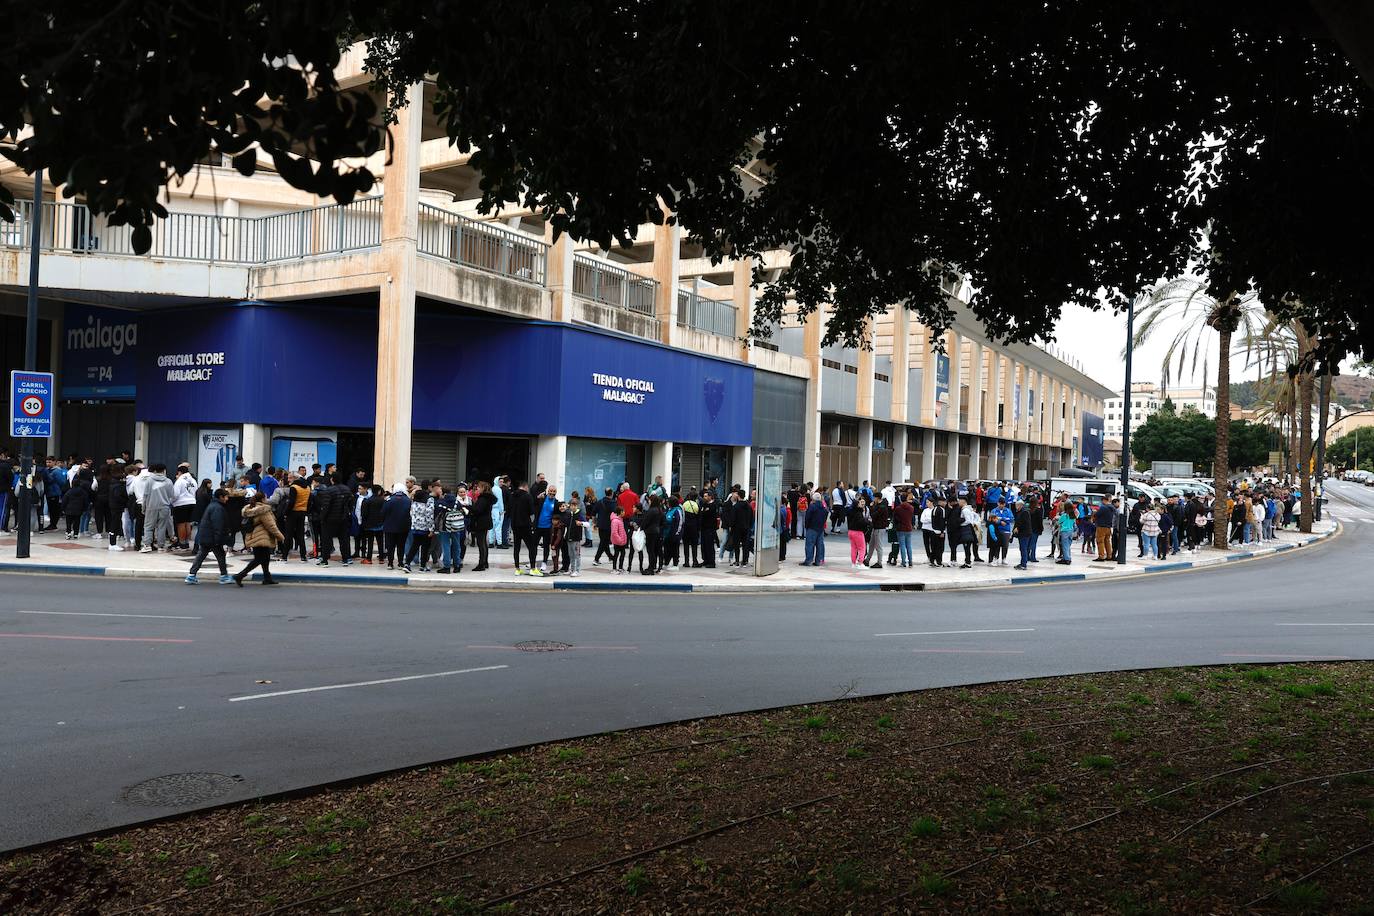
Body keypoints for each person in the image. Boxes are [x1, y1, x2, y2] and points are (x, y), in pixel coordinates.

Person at [233, 490, 283, 585]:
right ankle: (240, 575)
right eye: (266, 497)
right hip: (261, 536)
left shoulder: (251, 508)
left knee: (265, 557)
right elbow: (271, 525)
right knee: (259, 559)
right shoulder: (263, 510)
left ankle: (267, 578)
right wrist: (280, 536)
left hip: (253, 536)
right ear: (263, 499)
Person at [186, 488, 233, 584]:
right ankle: (224, 576)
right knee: (220, 556)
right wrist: (218, 539)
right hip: (212, 537)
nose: (227, 499)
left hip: (206, 536)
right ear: (221, 497)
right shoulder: (218, 508)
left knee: (201, 555)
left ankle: (191, 575)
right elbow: (218, 525)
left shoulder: (213, 505)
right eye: (226, 497)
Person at [141, 464, 175, 552]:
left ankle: (147, 545)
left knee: (148, 527)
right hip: (164, 507)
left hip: (151, 506)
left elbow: (145, 495)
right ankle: (161, 546)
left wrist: (143, 507)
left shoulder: (149, 481)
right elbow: (172, 496)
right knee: (162, 527)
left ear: (155, 471)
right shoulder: (168, 481)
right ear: (163, 470)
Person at [380, 484, 412, 570]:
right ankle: (400, 563)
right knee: (401, 546)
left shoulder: (389, 500)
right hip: (403, 527)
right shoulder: (407, 500)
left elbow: (383, 512)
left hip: (389, 527)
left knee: (390, 546)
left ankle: (390, 563)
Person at [509, 480, 537, 574]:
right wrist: (532, 523)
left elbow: (509, 509)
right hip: (525, 525)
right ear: (525, 487)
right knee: (531, 547)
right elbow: (532, 512)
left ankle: (517, 569)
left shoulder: (512, 495)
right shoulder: (527, 496)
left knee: (516, 547)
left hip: (514, 525)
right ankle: (533, 569)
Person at [468, 481, 496, 571]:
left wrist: (469, 507)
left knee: (481, 543)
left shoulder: (483, 499)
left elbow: (477, 510)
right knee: (483, 542)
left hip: (481, 522)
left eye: (479, 487)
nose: (477, 489)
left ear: (483, 488)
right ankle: (485, 562)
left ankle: (481, 564)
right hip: (485, 522)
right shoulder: (487, 498)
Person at [802, 492, 828, 566]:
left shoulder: (812, 507)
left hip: (812, 528)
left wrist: (807, 526)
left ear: (813, 499)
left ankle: (809, 560)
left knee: (810, 545)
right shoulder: (824, 507)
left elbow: (807, 517)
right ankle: (819, 560)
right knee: (820, 545)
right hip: (820, 528)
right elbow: (825, 516)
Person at [892, 492, 915, 567]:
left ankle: (903, 562)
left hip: (900, 528)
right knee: (909, 545)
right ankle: (910, 562)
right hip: (909, 528)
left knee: (902, 545)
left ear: (901, 499)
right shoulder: (911, 508)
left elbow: (895, 518)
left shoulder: (898, 508)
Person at [846, 496, 870, 569]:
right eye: (859, 503)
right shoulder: (859, 512)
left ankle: (853, 563)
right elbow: (861, 522)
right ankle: (860, 563)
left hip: (850, 531)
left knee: (854, 548)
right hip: (858, 532)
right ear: (857, 505)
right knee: (862, 548)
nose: (861, 504)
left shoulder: (850, 511)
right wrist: (868, 522)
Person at [698, 489, 719, 568]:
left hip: (710, 528)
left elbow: (708, 514)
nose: (704, 497)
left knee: (709, 545)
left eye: (706, 496)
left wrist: (704, 512)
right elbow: (702, 513)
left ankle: (711, 562)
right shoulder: (704, 504)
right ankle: (705, 560)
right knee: (704, 545)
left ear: (710, 497)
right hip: (703, 528)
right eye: (704, 496)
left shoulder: (713, 505)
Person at [1055, 500, 1076, 566]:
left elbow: (1059, 522)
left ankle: (1067, 559)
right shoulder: (1073, 515)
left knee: (1064, 546)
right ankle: (1067, 557)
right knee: (1068, 545)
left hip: (1064, 531)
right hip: (1071, 531)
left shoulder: (1064, 515)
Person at [610, 506, 629, 572]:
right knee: (616, 554)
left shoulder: (620, 519)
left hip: (621, 541)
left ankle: (620, 567)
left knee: (623, 554)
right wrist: (619, 540)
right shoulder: (615, 521)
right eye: (623, 511)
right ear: (620, 512)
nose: (624, 512)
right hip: (618, 542)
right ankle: (614, 568)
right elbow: (614, 532)